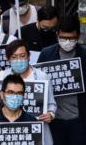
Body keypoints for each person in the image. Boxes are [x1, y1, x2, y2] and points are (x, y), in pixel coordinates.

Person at [0, 39, 57, 145]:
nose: (18, 60)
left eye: (22, 56)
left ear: (29, 56)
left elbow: (51, 104)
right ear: (8, 59)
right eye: (14, 57)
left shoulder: (42, 77)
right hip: (8, 132)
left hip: (35, 132)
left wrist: (50, 114)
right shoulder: (0, 77)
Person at [37, 16, 86, 145]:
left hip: (79, 120)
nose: (67, 42)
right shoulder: (46, 54)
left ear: (78, 36)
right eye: (63, 38)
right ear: (57, 34)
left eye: (71, 39)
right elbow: (37, 83)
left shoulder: (84, 56)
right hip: (53, 120)